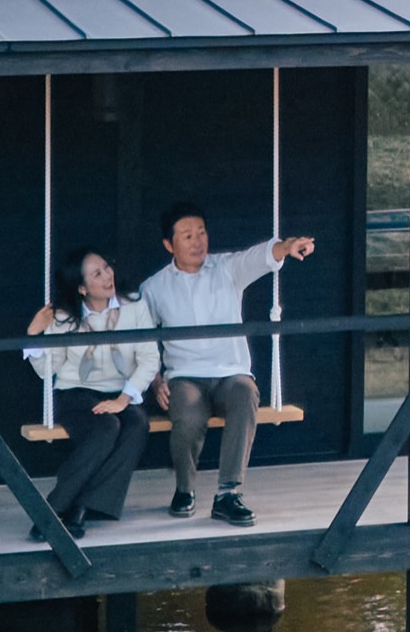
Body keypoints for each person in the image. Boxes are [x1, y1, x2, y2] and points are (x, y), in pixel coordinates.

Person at [135, 199, 313, 524]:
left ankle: (228, 493)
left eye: (201, 232)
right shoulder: (154, 288)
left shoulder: (226, 269)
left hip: (230, 373)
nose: (197, 241)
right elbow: (141, 340)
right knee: (187, 414)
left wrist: (287, 246)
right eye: (187, 235)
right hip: (184, 377)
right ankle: (185, 489)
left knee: (246, 393)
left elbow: (260, 257)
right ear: (168, 244)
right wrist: (156, 379)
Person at [25, 247, 150, 532]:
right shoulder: (64, 317)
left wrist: (122, 398)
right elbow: (48, 369)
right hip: (75, 394)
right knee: (106, 427)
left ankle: (83, 504)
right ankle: (55, 507)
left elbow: (149, 358)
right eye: (97, 273)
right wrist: (34, 335)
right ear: (82, 288)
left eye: (107, 267)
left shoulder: (134, 306)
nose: (108, 276)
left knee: (136, 424)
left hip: (120, 392)